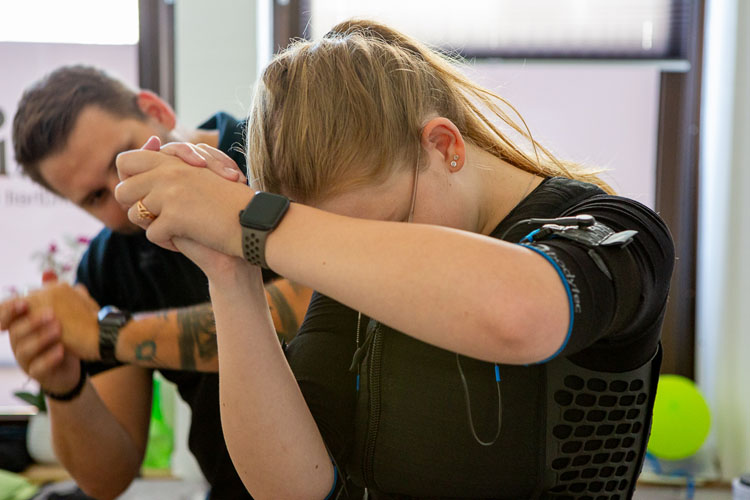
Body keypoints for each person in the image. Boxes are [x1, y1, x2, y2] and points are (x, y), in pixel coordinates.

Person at [114, 20, 675, 499]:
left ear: (444, 145)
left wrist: (254, 223)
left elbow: (520, 315)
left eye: (379, 227)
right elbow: (293, 488)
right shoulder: (350, 280)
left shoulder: (618, 230)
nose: (348, 253)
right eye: (328, 236)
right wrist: (230, 270)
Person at [0, 66, 311, 500]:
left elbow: (311, 307)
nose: (123, 190)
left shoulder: (281, 151)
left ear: (156, 110)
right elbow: (108, 479)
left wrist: (106, 334)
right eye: (94, 198)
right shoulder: (110, 264)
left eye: (122, 156)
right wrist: (63, 381)